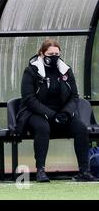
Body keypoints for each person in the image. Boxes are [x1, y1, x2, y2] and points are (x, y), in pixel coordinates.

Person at [17, 39, 98, 182]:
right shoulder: (31, 71)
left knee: (80, 128)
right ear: (42, 54)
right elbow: (29, 99)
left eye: (56, 53)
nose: (54, 56)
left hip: (62, 114)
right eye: (50, 53)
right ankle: (40, 170)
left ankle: (84, 171)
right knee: (42, 127)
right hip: (35, 113)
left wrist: (65, 113)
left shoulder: (66, 70)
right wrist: (51, 114)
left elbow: (74, 96)